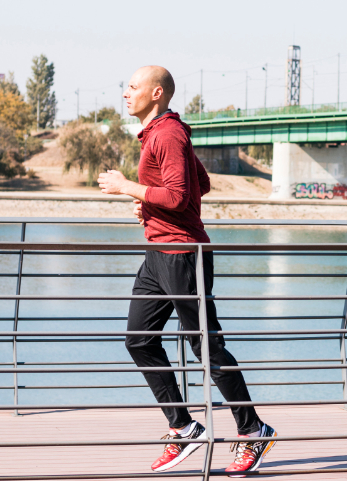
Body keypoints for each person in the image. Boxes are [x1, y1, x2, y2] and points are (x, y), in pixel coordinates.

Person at [97, 66, 276, 477]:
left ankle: (253, 431)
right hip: (158, 253)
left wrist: (132, 188)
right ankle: (184, 427)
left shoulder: (169, 134)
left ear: (156, 93)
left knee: (206, 348)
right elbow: (202, 184)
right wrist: (151, 203)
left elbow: (180, 195)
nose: (125, 93)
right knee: (139, 340)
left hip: (183, 255)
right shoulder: (160, 134)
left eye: (132, 87)